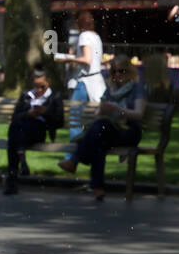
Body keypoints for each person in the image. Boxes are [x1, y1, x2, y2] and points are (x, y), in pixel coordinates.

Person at [59, 53, 146, 201]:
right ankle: (97, 188)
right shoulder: (110, 91)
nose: (117, 74)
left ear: (129, 71)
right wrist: (102, 110)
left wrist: (117, 109)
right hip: (109, 130)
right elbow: (100, 113)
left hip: (129, 131)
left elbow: (139, 114)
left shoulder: (137, 88)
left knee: (100, 130)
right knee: (99, 139)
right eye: (114, 71)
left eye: (121, 71)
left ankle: (75, 161)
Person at [4, 66, 63, 195]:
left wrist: (46, 112)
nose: (39, 90)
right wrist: (28, 114)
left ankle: (12, 178)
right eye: (36, 86)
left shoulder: (55, 97)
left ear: (48, 82)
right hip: (22, 131)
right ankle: (21, 158)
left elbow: (59, 121)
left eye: (42, 86)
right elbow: (15, 117)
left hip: (39, 131)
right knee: (16, 130)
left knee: (15, 133)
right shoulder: (26, 96)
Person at [55, 9, 105, 161]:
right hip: (97, 81)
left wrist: (66, 58)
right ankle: (84, 154)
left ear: (79, 22)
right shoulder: (96, 36)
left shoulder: (83, 36)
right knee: (93, 120)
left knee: (75, 119)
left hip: (85, 81)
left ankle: (71, 156)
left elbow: (86, 60)